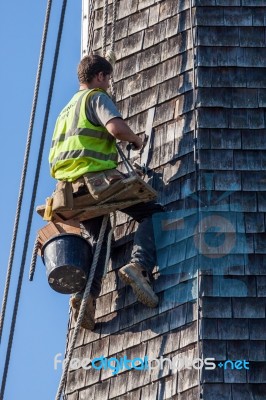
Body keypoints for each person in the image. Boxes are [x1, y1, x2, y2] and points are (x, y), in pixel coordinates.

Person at [49, 54, 163, 330]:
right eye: (108, 79)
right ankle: (139, 266)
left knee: (100, 238)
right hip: (96, 181)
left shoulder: (66, 111)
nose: (109, 85)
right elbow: (115, 127)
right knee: (154, 214)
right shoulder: (95, 97)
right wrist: (135, 139)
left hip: (69, 192)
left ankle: (85, 297)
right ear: (99, 76)